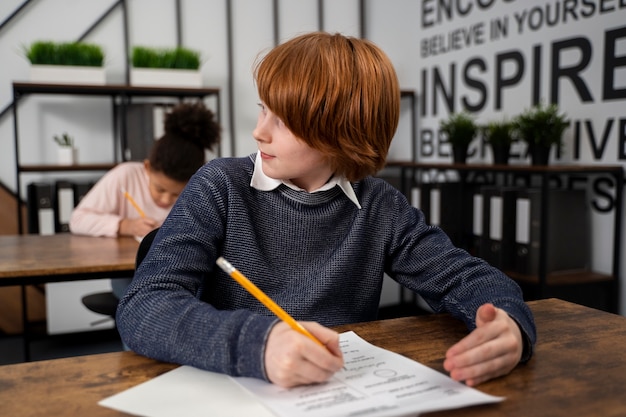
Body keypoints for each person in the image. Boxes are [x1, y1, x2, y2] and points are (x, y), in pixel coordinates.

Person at [117, 32, 536, 389]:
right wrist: (258, 345)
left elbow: (468, 279)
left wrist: (509, 325)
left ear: (342, 133)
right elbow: (143, 306)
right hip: (239, 391)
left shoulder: (380, 207)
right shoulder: (219, 186)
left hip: (342, 394)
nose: (258, 131)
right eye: (264, 108)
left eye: (282, 120)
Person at [70, 101, 221, 297]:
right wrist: (126, 226)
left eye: (177, 193)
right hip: (131, 273)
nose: (166, 200)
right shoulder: (125, 176)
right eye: (159, 189)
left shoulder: (202, 186)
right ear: (147, 168)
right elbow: (78, 220)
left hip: (185, 272)